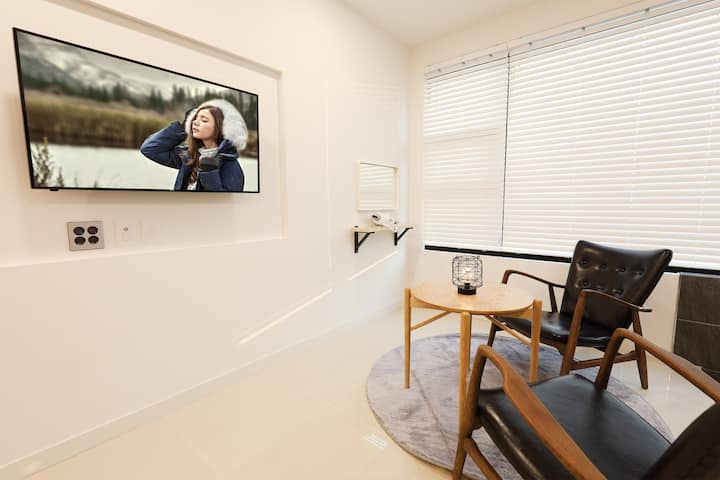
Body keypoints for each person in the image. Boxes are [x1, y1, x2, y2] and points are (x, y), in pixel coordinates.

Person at [140, 98, 247, 191]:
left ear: (220, 128)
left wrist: (209, 172)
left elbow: (227, 203)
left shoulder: (230, 165)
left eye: (204, 120)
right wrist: (183, 128)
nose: (195, 122)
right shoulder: (188, 156)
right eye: (194, 118)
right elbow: (149, 149)